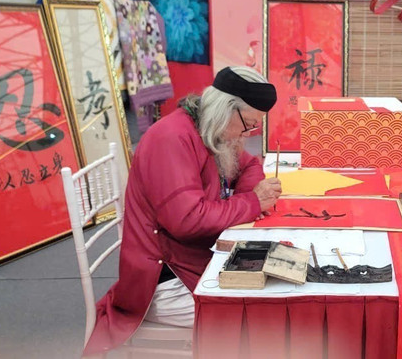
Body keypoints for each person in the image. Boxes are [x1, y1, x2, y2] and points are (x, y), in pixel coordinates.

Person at [84, 66, 283, 355]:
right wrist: (251, 203)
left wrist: (248, 197)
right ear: (227, 109)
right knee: (260, 315)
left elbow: (250, 164)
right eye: (248, 124)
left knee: (271, 292)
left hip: (195, 255)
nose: (246, 134)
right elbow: (187, 220)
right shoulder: (172, 139)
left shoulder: (211, 130)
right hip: (164, 277)